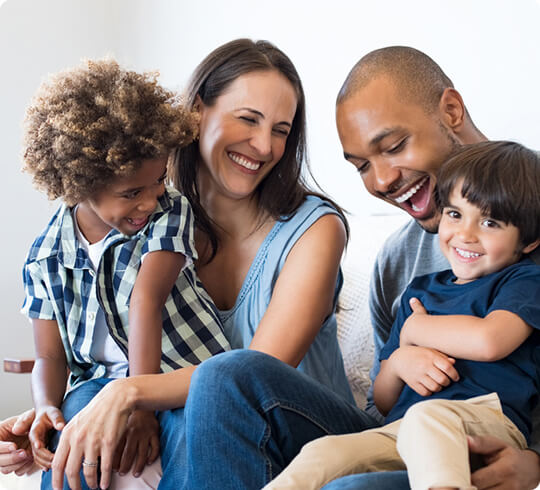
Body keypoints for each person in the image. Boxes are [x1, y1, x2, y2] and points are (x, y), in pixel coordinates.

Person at [174, 46, 540, 490]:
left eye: (394, 146)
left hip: (489, 442)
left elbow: (493, 344)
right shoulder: (397, 263)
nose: (382, 180)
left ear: (451, 110)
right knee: (225, 376)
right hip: (402, 435)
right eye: (363, 166)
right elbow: (383, 405)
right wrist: (402, 357)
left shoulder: (527, 242)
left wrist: (535, 462)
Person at [0, 39, 359, 490]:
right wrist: (52, 417)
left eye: (282, 130)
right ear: (196, 113)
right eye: (248, 119)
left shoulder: (314, 230)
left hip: (304, 433)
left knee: (216, 389)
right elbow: (97, 343)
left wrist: (130, 393)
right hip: (214, 432)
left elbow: (251, 375)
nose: (265, 145)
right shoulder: (144, 217)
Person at [263, 140, 540, 489]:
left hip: (484, 421)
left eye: (490, 222)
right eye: (455, 214)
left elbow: (490, 341)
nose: (465, 235)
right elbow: (383, 399)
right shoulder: (420, 290)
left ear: (528, 241)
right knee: (324, 452)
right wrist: (398, 363)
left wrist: (416, 330)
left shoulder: (523, 279)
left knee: (429, 418)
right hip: (404, 426)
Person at [20, 58, 233, 490]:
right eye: (132, 193)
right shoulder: (44, 256)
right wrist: (45, 406)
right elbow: (49, 356)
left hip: (178, 374)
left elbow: (146, 301)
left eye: (157, 182)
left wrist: (140, 408)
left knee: (193, 438)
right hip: (96, 383)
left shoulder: (169, 212)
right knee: (71, 446)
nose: (150, 202)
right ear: (79, 186)